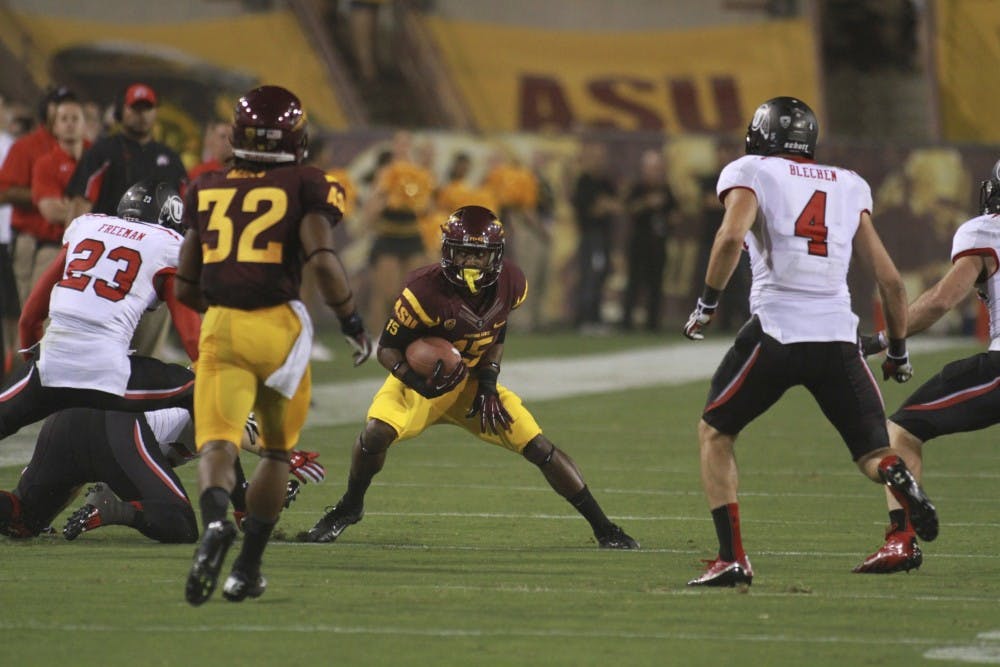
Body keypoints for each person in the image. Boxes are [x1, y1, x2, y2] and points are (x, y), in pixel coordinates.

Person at [681, 96, 937, 587]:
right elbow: (891, 281)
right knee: (872, 455)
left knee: (715, 434)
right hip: (839, 337)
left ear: (762, 133)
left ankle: (732, 557)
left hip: (777, 329)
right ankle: (896, 478)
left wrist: (707, 305)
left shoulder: (751, 169)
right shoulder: (848, 183)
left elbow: (730, 238)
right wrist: (899, 350)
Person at [303, 205, 638, 550]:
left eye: (478, 255)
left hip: (472, 387)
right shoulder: (424, 291)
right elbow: (387, 348)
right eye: (462, 253)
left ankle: (604, 527)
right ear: (448, 251)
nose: (469, 262)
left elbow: (499, 329)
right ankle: (349, 507)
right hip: (421, 384)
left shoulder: (512, 282)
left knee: (539, 447)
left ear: (494, 256)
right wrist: (417, 382)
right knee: (375, 434)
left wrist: (489, 384)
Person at [175, 85, 373, 605]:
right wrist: (351, 320)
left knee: (217, 442)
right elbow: (324, 262)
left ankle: (216, 521)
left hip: (220, 326)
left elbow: (185, 286)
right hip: (278, 330)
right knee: (278, 452)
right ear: (297, 138)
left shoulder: (207, 187)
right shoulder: (307, 182)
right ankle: (246, 568)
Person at [853, 158, 1000, 574]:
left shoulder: (984, 231)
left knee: (901, 431)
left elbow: (940, 300)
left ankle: (901, 540)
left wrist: (885, 340)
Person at [0, 180, 200, 441]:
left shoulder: (88, 226)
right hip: (110, 375)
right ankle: (231, 479)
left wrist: (36, 368)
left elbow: (29, 319)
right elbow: (194, 340)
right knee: (202, 391)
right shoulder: (168, 244)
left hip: (51, 366)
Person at [0, 397, 325, 543]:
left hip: (69, 420)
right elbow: (226, 425)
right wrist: (281, 455)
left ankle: (107, 502)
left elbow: (243, 513)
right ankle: (112, 509)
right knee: (180, 524)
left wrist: (266, 498)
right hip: (114, 426)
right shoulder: (219, 399)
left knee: (22, 520)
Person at [65, 83, 188, 358]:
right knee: (98, 344)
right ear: (122, 111)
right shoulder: (104, 151)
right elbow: (80, 204)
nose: (142, 115)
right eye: (135, 108)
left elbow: (185, 211)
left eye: (148, 108)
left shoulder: (170, 158)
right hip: (108, 261)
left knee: (146, 352)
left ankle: (139, 399)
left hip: (155, 261)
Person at [0, 86, 77, 309]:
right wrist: (45, 197)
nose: (65, 114)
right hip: (33, 243)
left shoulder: (88, 150)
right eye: (58, 106)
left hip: (75, 246)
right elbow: (4, 192)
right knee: (29, 310)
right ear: (47, 110)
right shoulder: (26, 147)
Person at [29, 96, 89, 291]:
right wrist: (91, 210)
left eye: (75, 118)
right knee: (44, 314)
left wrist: (70, 206)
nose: (70, 124)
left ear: (84, 124)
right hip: (54, 248)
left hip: (93, 251)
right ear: (54, 127)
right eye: (64, 119)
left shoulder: (100, 161)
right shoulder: (45, 164)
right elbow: (51, 211)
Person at [621, 148, 678, 332]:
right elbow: (629, 209)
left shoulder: (666, 189)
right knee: (634, 282)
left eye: (657, 168)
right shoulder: (637, 188)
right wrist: (648, 203)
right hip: (640, 242)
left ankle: (653, 323)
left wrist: (672, 217)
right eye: (651, 168)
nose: (654, 172)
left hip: (659, 242)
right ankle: (627, 323)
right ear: (644, 169)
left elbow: (675, 212)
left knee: (656, 283)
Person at [571, 142, 621, 333]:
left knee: (601, 275)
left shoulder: (606, 182)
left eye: (602, 157)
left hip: (604, 236)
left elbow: (616, 205)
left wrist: (605, 205)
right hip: (590, 236)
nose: (599, 161)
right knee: (589, 276)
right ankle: (585, 319)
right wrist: (603, 206)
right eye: (595, 157)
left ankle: (595, 317)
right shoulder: (583, 181)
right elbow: (590, 210)